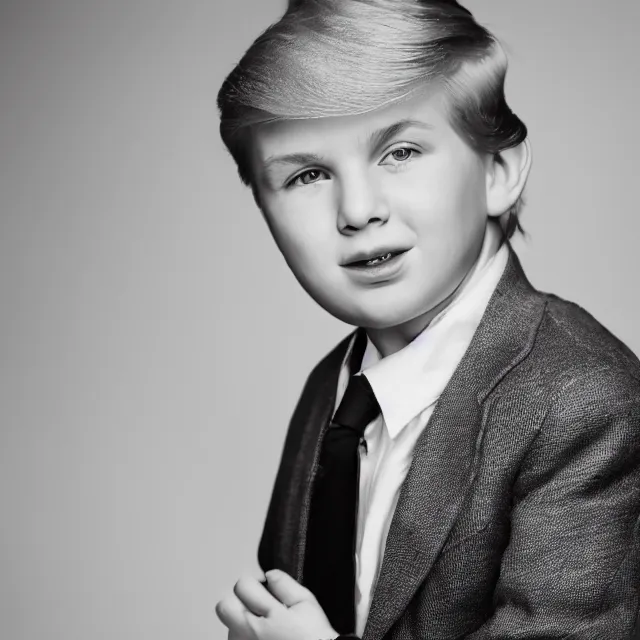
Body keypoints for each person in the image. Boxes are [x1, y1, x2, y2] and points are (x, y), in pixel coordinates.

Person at [214, 1, 640, 638]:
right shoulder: (334, 389)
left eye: (401, 152)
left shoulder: (584, 401)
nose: (358, 210)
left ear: (498, 171)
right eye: (307, 174)